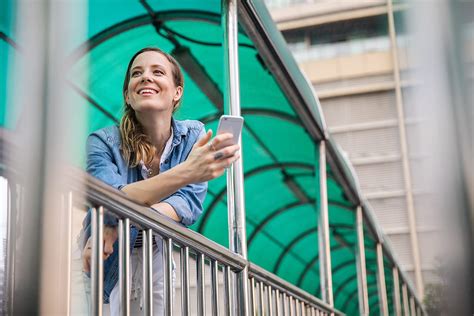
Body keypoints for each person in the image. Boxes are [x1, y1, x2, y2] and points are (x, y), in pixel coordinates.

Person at [79, 47, 240, 315]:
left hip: (155, 256)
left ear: (177, 92)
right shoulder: (101, 142)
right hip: (101, 256)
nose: (146, 77)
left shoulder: (194, 135)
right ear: (128, 95)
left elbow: (185, 204)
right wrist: (189, 171)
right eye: (137, 74)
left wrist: (119, 221)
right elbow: (109, 198)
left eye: (158, 72)